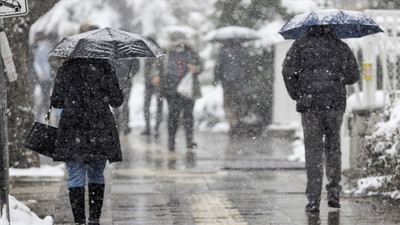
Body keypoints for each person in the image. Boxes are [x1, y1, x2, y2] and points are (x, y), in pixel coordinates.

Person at [282, 25, 360, 213]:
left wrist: (298, 94)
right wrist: (337, 78)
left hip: (310, 106)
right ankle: (333, 193)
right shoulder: (341, 46)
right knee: (333, 147)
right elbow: (353, 76)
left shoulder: (299, 46)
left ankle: (314, 200)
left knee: (313, 151)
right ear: (331, 27)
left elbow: (287, 72)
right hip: (334, 105)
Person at [51, 58, 124, 225]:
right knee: (97, 174)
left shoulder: (66, 68)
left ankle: (79, 220)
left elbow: (56, 101)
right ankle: (94, 219)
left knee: (75, 176)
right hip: (100, 129)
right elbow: (117, 101)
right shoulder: (105, 67)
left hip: (73, 128)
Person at [161, 32, 203, 151]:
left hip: (188, 91)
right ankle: (171, 141)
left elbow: (201, 65)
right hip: (171, 90)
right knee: (173, 117)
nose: (179, 45)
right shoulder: (166, 54)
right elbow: (160, 68)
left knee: (188, 116)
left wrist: (196, 68)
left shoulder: (191, 52)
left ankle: (189, 141)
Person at [213, 40, 254, 138]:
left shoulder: (223, 51)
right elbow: (248, 66)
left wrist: (216, 79)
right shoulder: (243, 50)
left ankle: (233, 124)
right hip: (239, 83)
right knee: (239, 103)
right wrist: (247, 78)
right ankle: (238, 123)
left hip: (227, 83)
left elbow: (218, 66)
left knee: (228, 104)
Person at [141, 56, 164, 139]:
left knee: (158, 105)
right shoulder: (146, 54)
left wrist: (156, 75)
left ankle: (156, 128)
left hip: (157, 82)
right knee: (147, 105)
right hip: (148, 82)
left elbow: (159, 66)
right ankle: (148, 127)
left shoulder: (158, 53)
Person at [32, 32, 53, 122]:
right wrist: (41, 72)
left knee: (47, 96)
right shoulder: (43, 48)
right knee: (45, 97)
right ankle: (42, 115)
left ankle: (43, 114)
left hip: (48, 77)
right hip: (44, 77)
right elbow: (36, 62)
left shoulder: (48, 48)